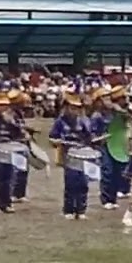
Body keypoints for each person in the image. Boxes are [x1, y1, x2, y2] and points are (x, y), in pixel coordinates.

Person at [48, 92, 93, 220]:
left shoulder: (84, 121)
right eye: (72, 108)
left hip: (83, 154)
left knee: (83, 182)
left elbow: (89, 137)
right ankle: (68, 209)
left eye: (77, 108)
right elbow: (52, 137)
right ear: (66, 108)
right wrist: (57, 142)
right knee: (71, 183)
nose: (75, 111)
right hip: (68, 155)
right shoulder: (60, 122)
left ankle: (81, 209)